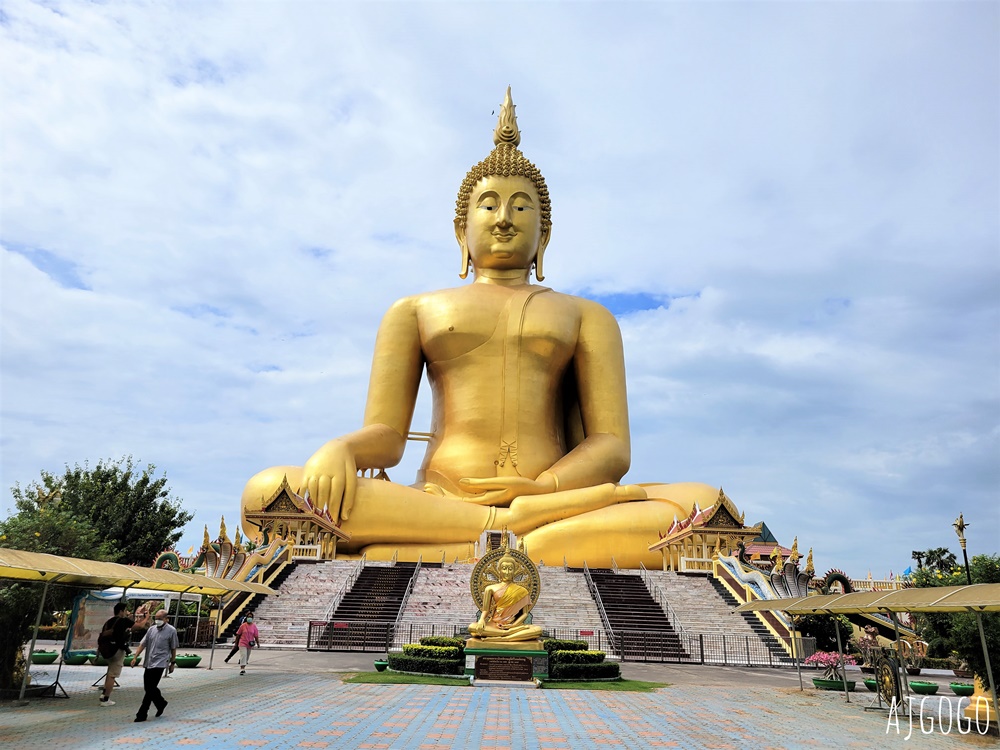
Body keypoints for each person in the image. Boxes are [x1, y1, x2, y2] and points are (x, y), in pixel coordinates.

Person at [241, 88, 717, 568]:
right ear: (460, 230)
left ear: (544, 233)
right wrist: (339, 448)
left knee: (702, 501)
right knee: (266, 494)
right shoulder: (415, 310)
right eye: (488, 205)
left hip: (554, 500)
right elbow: (387, 437)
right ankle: (507, 534)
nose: (505, 219)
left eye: (522, 207)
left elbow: (611, 446)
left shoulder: (587, 316)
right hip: (439, 501)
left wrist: (541, 488)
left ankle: (477, 540)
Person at [468, 553, 542, 642]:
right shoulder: (490, 588)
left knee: (537, 630)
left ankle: (505, 637)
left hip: (514, 625)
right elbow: (485, 610)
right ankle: (508, 634)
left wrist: (513, 625)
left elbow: (525, 614)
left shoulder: (522, 591)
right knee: (473, 628)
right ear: (499, 570)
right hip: (495, 624)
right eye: (504, 569)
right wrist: (481, 620)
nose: (507, 572)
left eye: (510, 569)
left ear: (514, 571)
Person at [130, 609, 178, 722]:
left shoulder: (171, 631)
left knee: (150, 688)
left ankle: (142, 713)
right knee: (148, 688)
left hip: (160, 662)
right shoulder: (151, 630)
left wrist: (172, 663)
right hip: (149, 661)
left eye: (160, 619)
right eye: (156, 618)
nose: (158, 621)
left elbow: (173, 647)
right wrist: (135, 656)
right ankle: (161, 703)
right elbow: (143, 644)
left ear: (166, 619)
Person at [97, 602, 147, 706]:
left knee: (110, 671)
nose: (127, 612)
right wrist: (146, 618)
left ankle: (104, 694)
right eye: (125, 610)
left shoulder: (109, 621)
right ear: (121, 611)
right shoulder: (123, 621)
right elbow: (140, 626)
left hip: (107, 650)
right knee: (112, 675)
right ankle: (106, 699)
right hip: (117, 650)